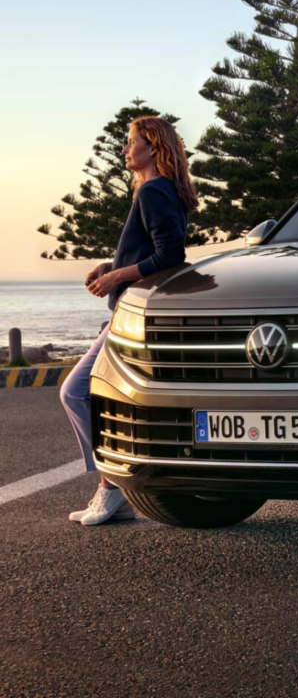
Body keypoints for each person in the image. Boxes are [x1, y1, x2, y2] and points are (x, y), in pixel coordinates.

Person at [61, 116, 198, 525]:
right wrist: (110, 265)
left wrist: (117, 277)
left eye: (131, 141)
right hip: (135, 313)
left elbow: (171, 256)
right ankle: (114, 488)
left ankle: (112, 487)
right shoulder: (160, 190)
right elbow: (153, 251)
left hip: (131, 316)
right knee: (95, 395)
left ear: (152, 147)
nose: (124, 149)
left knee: (76, 392)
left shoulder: (154, 190)